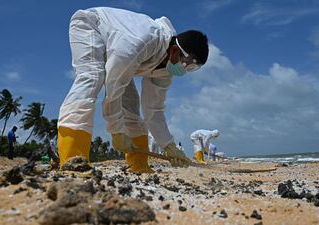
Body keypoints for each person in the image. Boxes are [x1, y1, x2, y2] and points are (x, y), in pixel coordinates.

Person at [57, 7, 209, 173]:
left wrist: (168, 145)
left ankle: (139, 165)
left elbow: (154, 110)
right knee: (92, 77)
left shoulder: (166, 71)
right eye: (189, 65)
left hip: (119, 51)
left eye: (193, 69)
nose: (186, 71)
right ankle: (72, 160)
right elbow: (113, 87)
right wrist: (116, 130)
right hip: (92, 26)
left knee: (131, 103)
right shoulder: (140, 41)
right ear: (174, 51)